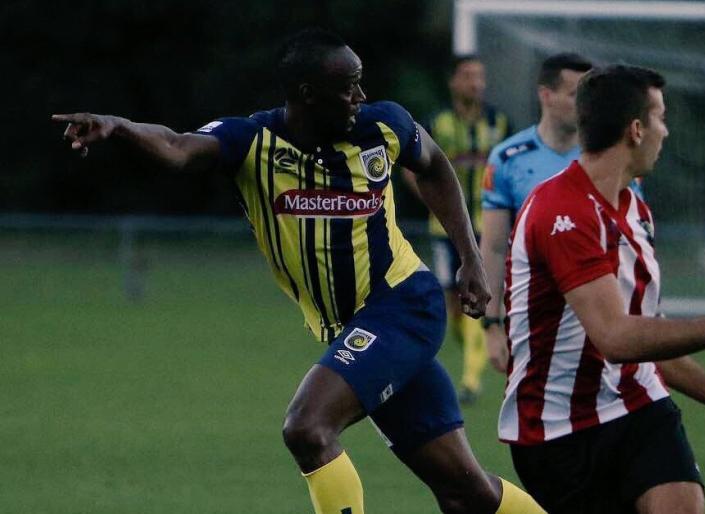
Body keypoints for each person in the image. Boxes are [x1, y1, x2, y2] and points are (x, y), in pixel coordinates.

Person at [53, 29, 545, 514]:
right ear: (308, 95)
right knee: (466, 493)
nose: (361, 95)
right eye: (348, 86)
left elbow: (435, 167)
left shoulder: (384, 126)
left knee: (307, 428)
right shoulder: (252, 142)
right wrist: (120, 126)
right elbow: (178, 146)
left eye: (360, 82)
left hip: (402, 305)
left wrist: (471, 258)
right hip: (356, 329)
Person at [498, 64, 705, 514]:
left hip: (639, 404)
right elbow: (617, 338)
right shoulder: (562, 213)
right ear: (636, 130)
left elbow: (645, 332)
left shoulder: (634, 205)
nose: (666, 130)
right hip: (558, 429)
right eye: (660, 117)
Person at [403, 55, 511, 404]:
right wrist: (433, 200)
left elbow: (510, 163)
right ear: (454, 82)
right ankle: (473, 355)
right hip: (444, 228)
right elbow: (410, 166)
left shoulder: (499, 123)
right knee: (453, 307)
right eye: (468, 76)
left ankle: (470, 379)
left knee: (479, 297)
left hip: (487, 225)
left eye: (480, 76)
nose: (476, 83)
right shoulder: (439, 122)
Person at [479, 53, 593, 372]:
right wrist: (491, 324)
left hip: (598, 312)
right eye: (575, 95)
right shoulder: (508, 158)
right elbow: (494, 245)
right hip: (532, 318)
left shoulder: (606, 155)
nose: (585, 104)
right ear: (546, 95)